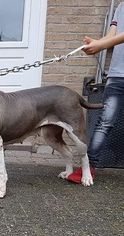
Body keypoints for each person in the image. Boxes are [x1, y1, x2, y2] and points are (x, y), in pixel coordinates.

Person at [68, 2, 124, 183]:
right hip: (117, 75)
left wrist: (101, 44)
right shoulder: (120, 7)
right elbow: (113, 35)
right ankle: (89, 168)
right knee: (105, 122)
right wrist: (98, 44)